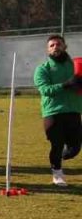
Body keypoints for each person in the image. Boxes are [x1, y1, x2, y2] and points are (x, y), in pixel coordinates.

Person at [32, 34, 82, 187]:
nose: (55, 47)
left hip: (74, 110)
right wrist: (66, 84)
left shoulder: (75, 65)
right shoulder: (42, 69)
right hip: (52, 112)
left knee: (74, 148)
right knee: (57, 144)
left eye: (58, 44)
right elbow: (45, 90)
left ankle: (63, 155)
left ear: (64, 46)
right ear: (47, 50)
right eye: (52, 45)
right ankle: (57, 173)